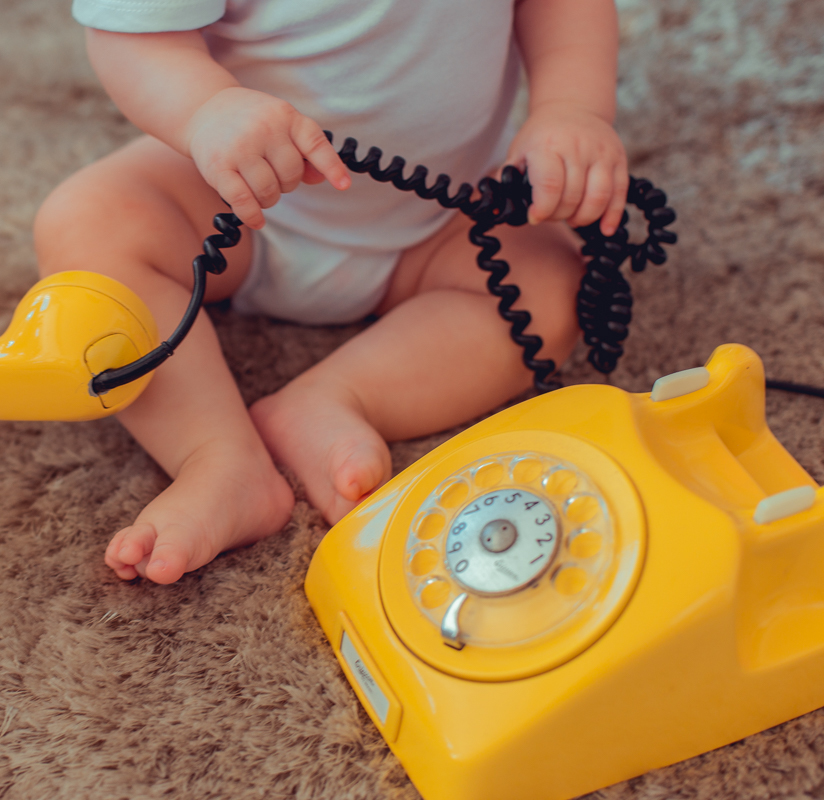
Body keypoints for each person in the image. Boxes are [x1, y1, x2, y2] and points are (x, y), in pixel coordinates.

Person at [35, 0, 629, 583]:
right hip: (233, 198)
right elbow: (136, 34)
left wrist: (572, 109)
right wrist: (206, 110)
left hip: (439, 219)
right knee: (88, 224)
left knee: (550, 287)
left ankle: (333, 399)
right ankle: (216, 458)